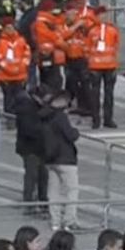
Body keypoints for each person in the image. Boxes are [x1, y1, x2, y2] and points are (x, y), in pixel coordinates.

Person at [43, 91, 82, 232]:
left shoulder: (44, 115)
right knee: (72, 190)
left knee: (53, 191)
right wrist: (76, 130)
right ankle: (69, 221)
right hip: (65, 158)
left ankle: (55, 221)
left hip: (50, 157)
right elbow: (70, 135)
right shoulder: (60, 116)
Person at [10, 70, 47, 213]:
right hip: (30, 148)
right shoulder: (27, 108)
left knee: (42, 175)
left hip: (38, 147)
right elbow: (28, 129)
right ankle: (29, 202)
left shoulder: (35, 106)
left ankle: (42, 201)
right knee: (32, 175)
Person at [86, 5, 121, 129]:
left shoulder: (113, 30)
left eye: (105, 14)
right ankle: (96, 119)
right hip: (95, 66)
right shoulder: (91, 30)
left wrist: (116, 64)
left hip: (110, 65)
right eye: (101, 15)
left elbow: (116, 47)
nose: (104, 17)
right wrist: (90, 63)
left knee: (109, 94)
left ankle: (108, 119)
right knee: (95, 94)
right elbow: (87, 47)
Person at [62, 0, 97, 112]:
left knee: (85, 84)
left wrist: (81, 25)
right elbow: (63, 35)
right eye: (67, 14)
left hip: (82, 57)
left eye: (71, 14)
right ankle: (80, 106)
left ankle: (90, 107)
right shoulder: (66, 24)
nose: (69, 16)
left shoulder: (83, 22)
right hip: (70, 57)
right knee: (74, 83)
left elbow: (91, 31)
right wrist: (75, 26)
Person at [0, 17, 32, 117]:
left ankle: (19, 117)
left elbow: (27, 55)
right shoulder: (0, 42)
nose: (10, 30)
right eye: (7, 28)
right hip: (5, 77)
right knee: (8, 100)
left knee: (20, 99)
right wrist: (10, 69)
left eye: (12, 27)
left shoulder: (21, 40)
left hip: (20, 76)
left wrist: (20, 67)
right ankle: (9, 118)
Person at [33, 0, 68, 96]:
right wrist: (65, 46)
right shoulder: (47, 23)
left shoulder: (38, 21)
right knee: (54, 83)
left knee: (45, 81)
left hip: (43, 57)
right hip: (51, 57)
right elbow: (55, 38)